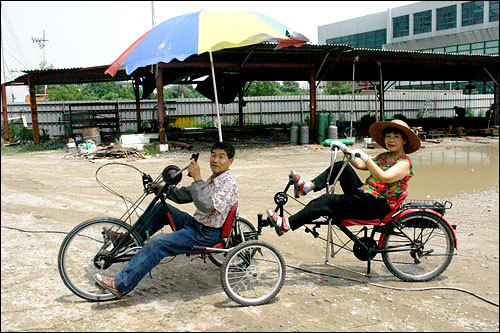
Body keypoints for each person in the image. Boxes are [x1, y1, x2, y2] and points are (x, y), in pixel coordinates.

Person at [93, 142, 238, 298]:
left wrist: (197, 178)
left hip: (205, 234)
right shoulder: (213, 179)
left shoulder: (228, 184)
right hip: (196, 224)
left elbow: (206, 206)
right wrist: (159, 188)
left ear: (231, 161)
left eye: (221, 157)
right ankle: (128, 241)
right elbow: (186, 195)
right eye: (213, 155)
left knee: (157, 244)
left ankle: (120, 284)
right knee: (161, 209)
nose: (215, 160)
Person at [266, 119, 420, 235]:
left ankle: (286, 225)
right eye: (388, 136)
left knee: (327, 200)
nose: (391, 140)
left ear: (404, 140)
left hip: (378, 205)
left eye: (396, 137)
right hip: (367, 195)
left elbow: (384, 177)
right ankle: (306, 187)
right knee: (341, 165)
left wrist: (366, 158)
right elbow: (360, 165)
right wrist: (344, 149)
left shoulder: (404, 163)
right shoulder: (384, 156)